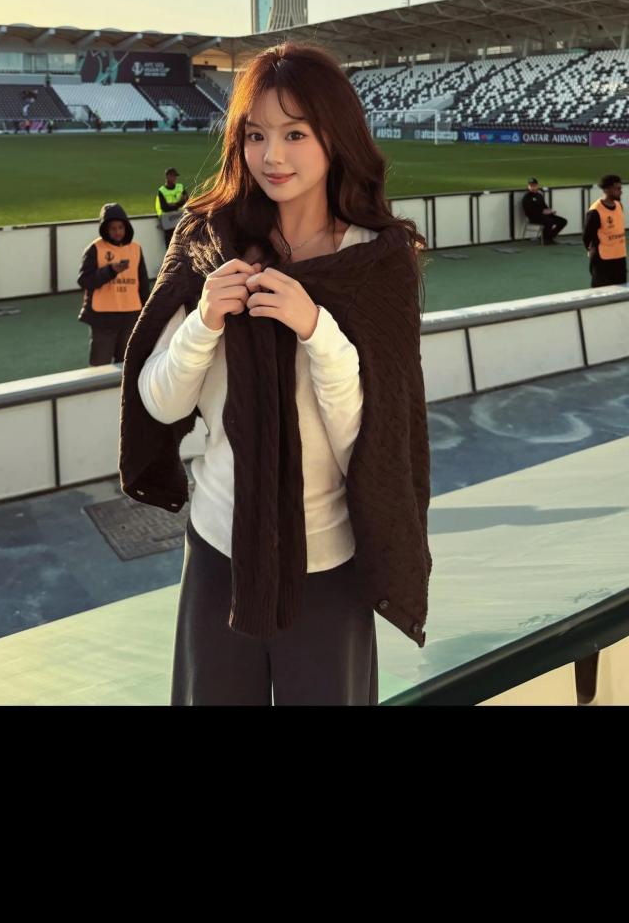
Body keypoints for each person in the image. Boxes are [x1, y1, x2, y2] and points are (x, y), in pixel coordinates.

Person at [119, 41, 431, 707]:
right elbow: (160, 403)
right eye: (255, 134)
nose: (272, 156)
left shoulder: (378, 264)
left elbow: (373, 444)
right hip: (217, 553)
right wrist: (205, 321)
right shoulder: (208, 241)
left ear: (335, 137)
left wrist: (317, 331)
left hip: (329, 568)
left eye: (295, 133)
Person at [78, 204, 150, 365]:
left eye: (120, 227)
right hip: (103, 317)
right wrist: (110, 271)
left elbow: (143, 283)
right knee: (100, 365)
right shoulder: (95, 248)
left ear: (126, 227)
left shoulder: (136, 248)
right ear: (105, 229)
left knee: (126, 364)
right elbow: (84, 280)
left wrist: (146, 311)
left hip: (131, 315)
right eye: (113, 228)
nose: (117, 232)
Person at [583, 174, 626, 288]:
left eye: (620, 188)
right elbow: (587, 236)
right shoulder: (595, 211)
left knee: (621, 291)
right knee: (601, 291)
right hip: (603, 259)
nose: (621, 191)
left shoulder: (619, 205)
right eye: (617, 189)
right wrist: (591, 250)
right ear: (607, 190)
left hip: (620, 257)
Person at [522, 177, 567, 244]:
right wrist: (542, 212)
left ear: (537, 186)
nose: (533, 187)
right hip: (534, 217)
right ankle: (546, 239)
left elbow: (544, 206)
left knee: (563, 221)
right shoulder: (527, 197)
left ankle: (550, 237)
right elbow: (529, 211)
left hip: (544, 215)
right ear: (528, 186)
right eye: (531, 186)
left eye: (534, 185)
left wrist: (550, 211)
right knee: (549, 222)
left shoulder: (539, 195)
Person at [155, 168, 189, 249]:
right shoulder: (162, 191)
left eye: (175, 176)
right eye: (173, 176)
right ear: (167, 177)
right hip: (168, 220)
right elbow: (164, 208)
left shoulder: (180, 187)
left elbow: (187, 200)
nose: (175, 178)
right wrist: (179, 203)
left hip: (179, 217)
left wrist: (173, 205)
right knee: (170, 243)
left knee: (183, 241)